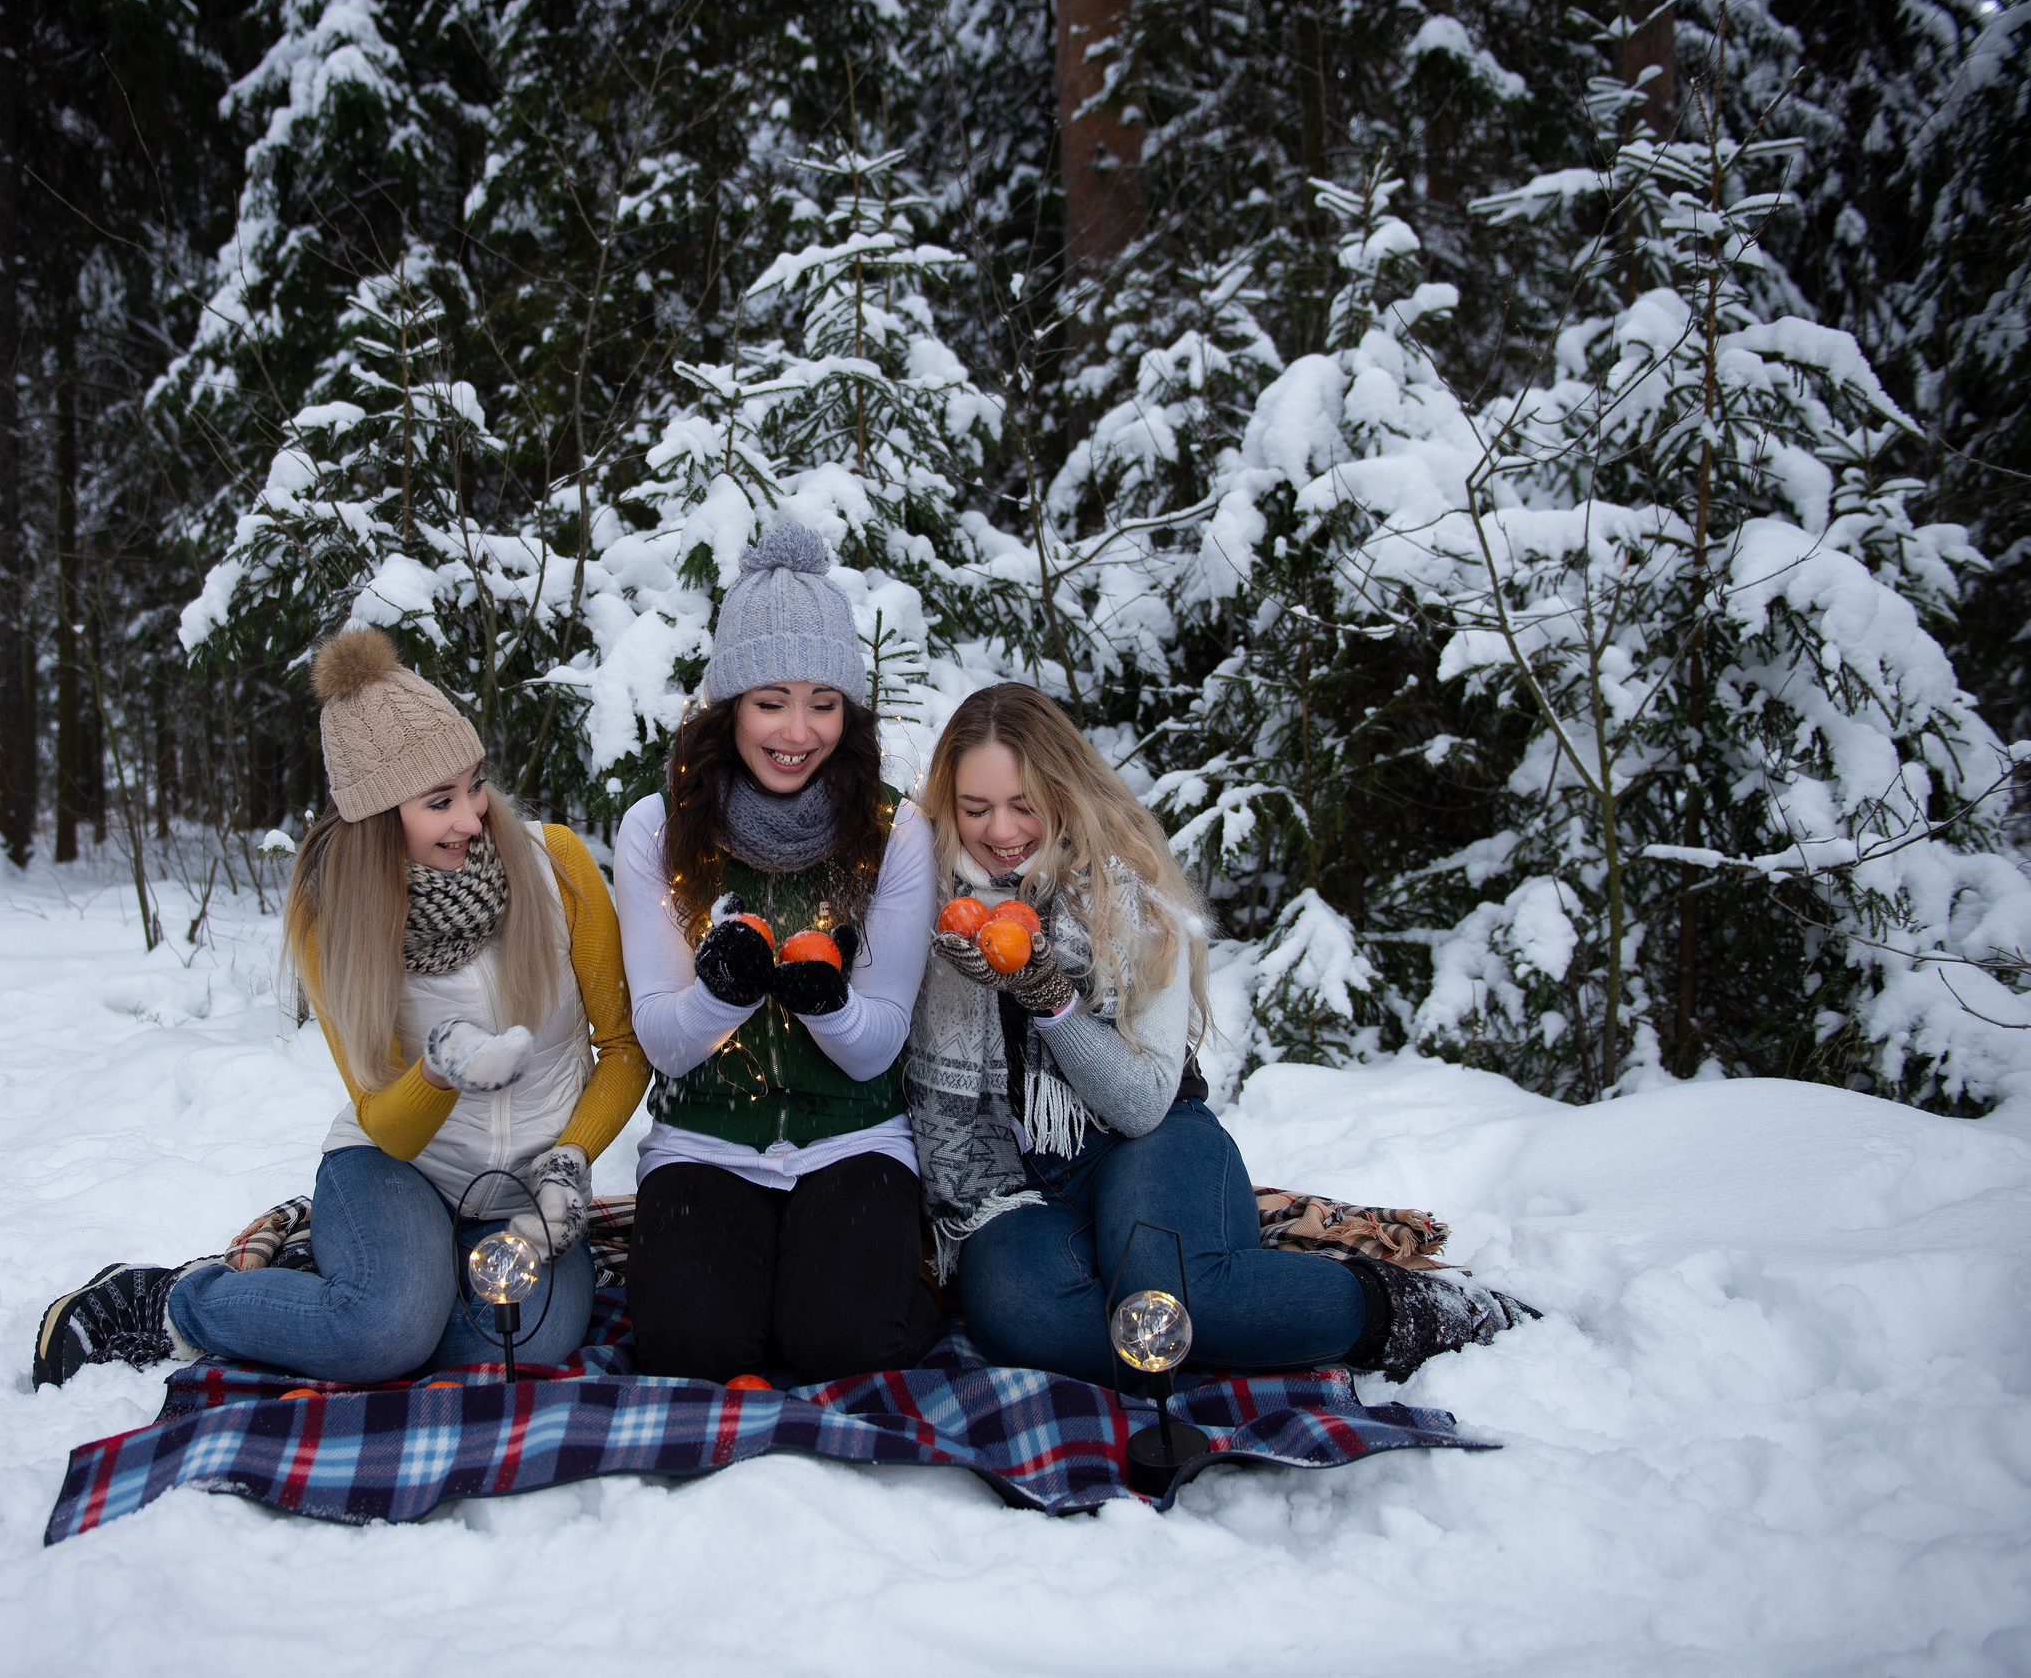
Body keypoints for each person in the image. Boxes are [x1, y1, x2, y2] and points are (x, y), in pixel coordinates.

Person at [31, 629, 648, 1388]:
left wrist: (572, 1153)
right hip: (394, 1170)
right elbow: (382, 1117)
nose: (473, 817)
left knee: (530, 1342)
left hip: (524, 1188)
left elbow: (623, 1044)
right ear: (380, 816)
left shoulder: (558, 869)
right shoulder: (338, 921)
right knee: (386, 1331)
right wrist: (440, 1067)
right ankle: (179, 1301)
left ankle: (347, 1290)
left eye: (475, 783)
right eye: (439, 801)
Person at [908, 684, 1535, 1385]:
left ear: (1064, 789)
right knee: (1025, 1315)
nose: (1001, 830)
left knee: (1173, 1297)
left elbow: (1143, 1103)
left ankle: (1410, 1309)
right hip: (1010, 1190)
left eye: (1024, 803)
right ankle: (1207, 1331)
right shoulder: (925, 901)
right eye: (975, 808)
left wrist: (1052, 999)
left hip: (1150, 1146)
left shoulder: (1127, 890)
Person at [615, 521, 942, 1385]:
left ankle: (892, 1275)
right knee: (689, 1350)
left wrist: (826, 1001)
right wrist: (720, 994)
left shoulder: (893, 831)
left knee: (841, 1345)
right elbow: (663, 1039)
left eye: (824, 703)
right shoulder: (658, 828)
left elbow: (880, 1041)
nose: (799, 730)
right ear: (729, 705)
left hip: (855, 1138)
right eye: (771, 701)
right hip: (704, 1140)